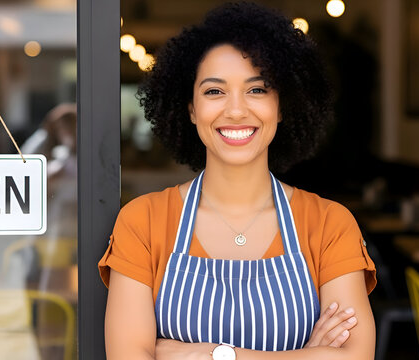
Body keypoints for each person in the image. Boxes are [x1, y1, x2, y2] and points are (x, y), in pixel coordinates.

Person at [98, 3, 377, 359]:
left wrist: (212, 354)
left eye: (257, 90)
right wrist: (307, 355)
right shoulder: (142, 222)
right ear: (191, 108)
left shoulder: (329, 225)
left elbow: (355, 356)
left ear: (282, 105)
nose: (235, 109)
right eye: (214, 91)